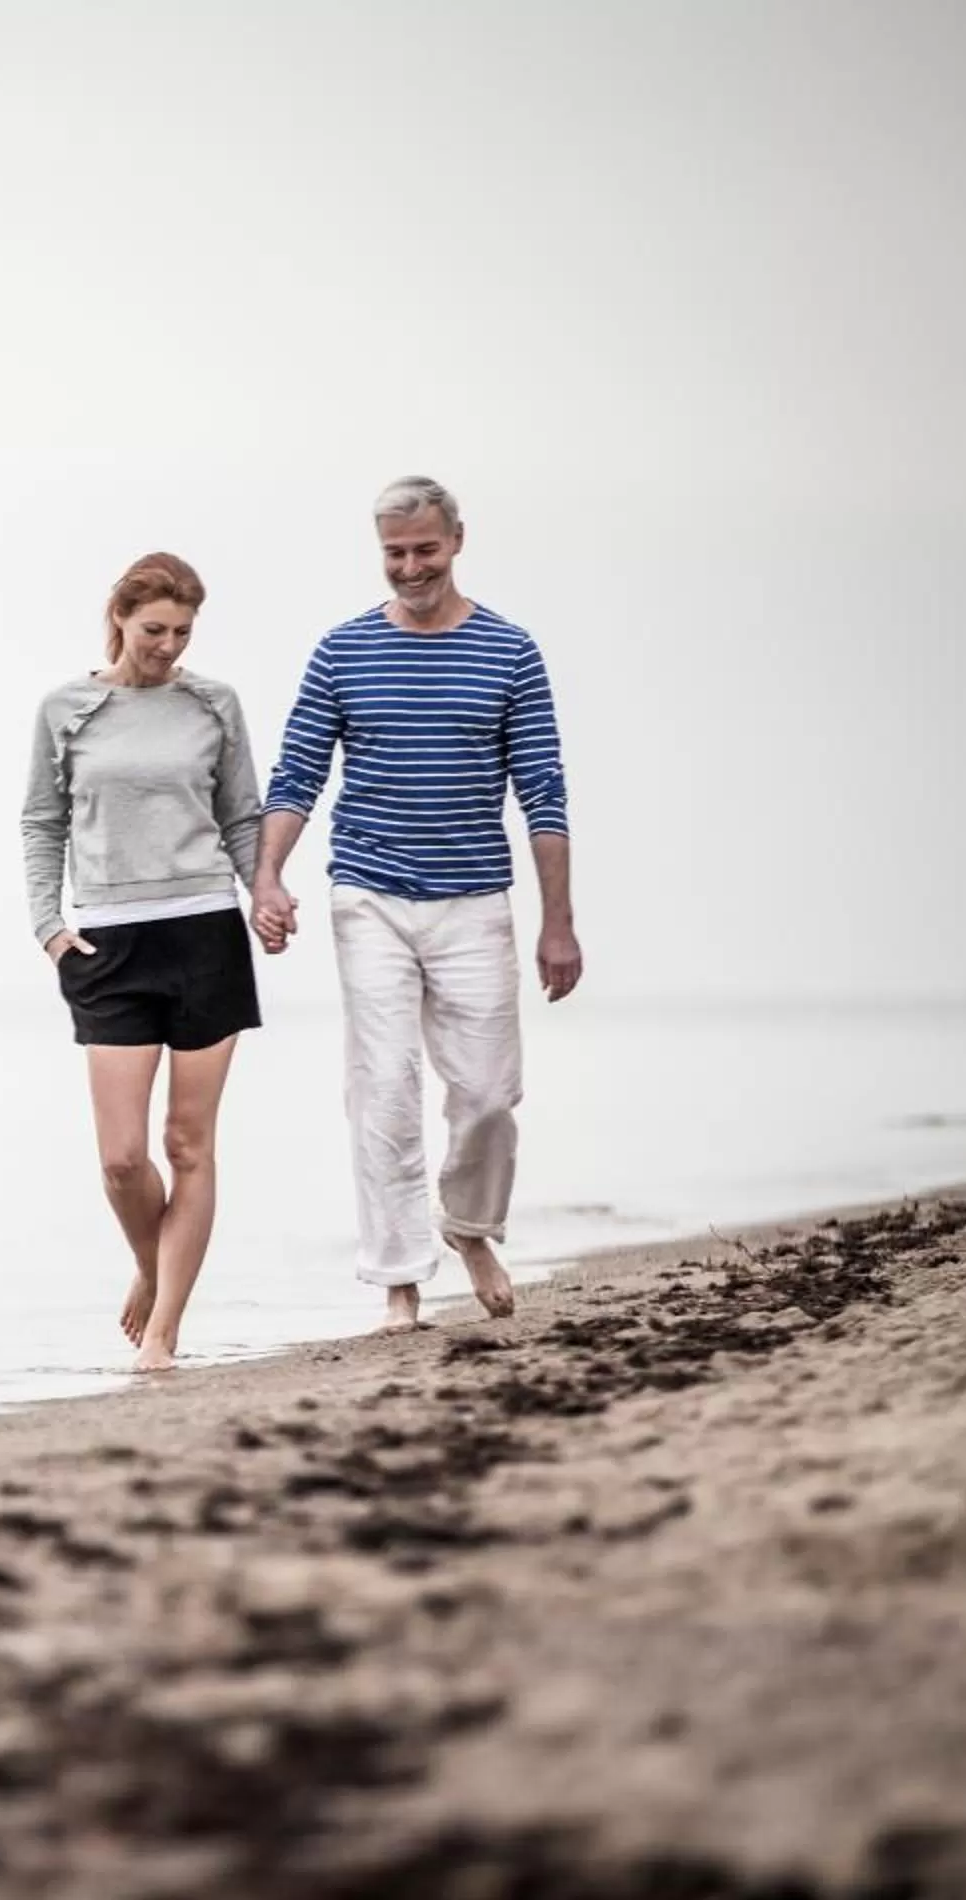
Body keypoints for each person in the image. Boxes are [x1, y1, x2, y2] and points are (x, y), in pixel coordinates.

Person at [249, 476, 582, 1333]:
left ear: (457, 542)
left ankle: (469, 1227)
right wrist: (270, 876)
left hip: (475, 900)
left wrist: (559, 922)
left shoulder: (509, 651)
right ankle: (399, 1280)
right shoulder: (341, 652)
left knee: (486, 1095)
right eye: (394, 553)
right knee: (384, 1088)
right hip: (370, 897)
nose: (409, 567)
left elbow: (543, 791)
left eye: (424, 550)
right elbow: (297, 777)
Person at [21, 552, 267, 1373]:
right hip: (108, 943)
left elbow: (241, 816)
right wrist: (48, 926)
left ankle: (163, 1331)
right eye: (153, 629)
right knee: (123, 1158)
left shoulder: (214, 705)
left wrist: (263, 891)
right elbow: (41, 822)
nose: (167, 646)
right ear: (120, 618)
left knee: (189, 1144)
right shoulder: (67, 708)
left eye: (182, 633)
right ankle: (150, 1264)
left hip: (205, 932)